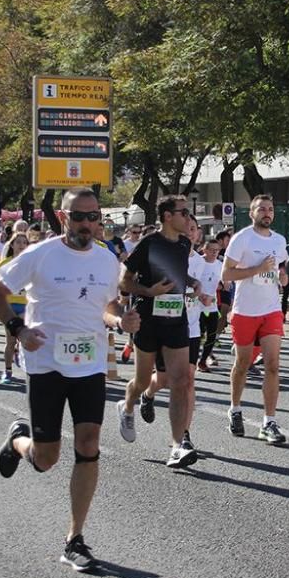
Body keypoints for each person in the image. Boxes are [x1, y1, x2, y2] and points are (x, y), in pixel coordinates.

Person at [0, 187, 138, 572]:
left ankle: (75, 538)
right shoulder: (41, 254)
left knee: (89, 443)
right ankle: (17, 440)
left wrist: (120, 319)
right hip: (46, 363)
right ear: (62, 217)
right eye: (79, 217)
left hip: (88, 363)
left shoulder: (107, 260)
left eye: (94, 217)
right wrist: (19, 330)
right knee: (46, 459)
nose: (88, 224)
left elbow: (107, 304)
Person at [116, 195, 205, 468]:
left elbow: (178, 273)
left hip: (176, 317)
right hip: (148, 319)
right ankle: (128, 405)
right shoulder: (149, 244)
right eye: (183, 213)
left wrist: (192, 281)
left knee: (181, 381)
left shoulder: (184, 244)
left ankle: (178, 445)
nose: (188, 219)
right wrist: (148, 291)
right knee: (143, 381)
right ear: (168, 216)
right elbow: (124, 281)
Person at [222, 195, 289, 443]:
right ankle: (235, 409)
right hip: (245, 310)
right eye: (261, 209)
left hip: (271, 309)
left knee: (272, 365)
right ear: (252, 213)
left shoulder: (279, 240)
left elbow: (280, 269)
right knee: (242, 364)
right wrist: (256, 270)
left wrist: (282, 277)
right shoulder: (242, 238)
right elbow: (226, 273)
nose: (267, 213)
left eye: (270, 209)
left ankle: (269, 421)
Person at [0, 232, 30, 384]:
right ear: (12, 245)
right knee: (10, 340)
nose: (21, 245)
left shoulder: (31, 263)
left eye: (24, 242)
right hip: (9, 305)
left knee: (24, 339)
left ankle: (29, 370)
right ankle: (8, 370)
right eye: (18, 242)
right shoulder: (5, 263)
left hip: (25, 305)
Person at [196, 237, 223, 372]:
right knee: (198, 334)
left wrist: (223, 285)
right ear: (204, 250)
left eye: (217, 250)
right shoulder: (198, 262)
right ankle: (191, 360)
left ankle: (202, 361)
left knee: (211, 335)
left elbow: (223, 282)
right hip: (197, 305)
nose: (214, 253)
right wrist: (200, 296)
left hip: (212, 305)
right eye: (211, 250)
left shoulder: (219, 264)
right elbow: (191, 281)